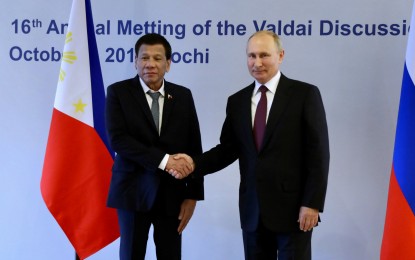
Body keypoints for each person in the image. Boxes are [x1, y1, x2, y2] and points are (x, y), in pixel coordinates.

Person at [171, 30, 329, 260]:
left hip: (294, 211)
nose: (257, 63)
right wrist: (193, 163)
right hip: (253, 212)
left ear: (281, 55)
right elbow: (227, 150)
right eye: (251, 56)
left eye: (264, 55)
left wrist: (312, 204)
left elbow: (319, 155)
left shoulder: (304, 94)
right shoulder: (237, 101)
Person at [105, 33, 203, 260]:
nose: (150, 64)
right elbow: (118, 140)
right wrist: (165, 160)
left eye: (157, 58)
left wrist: (193, 195)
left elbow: (194, 148)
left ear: (168, 64)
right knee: (131, 255)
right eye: (144, 58)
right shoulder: (118, 92)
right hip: (132, 192)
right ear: (135, 62)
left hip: (172, 195)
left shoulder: (183, 96)